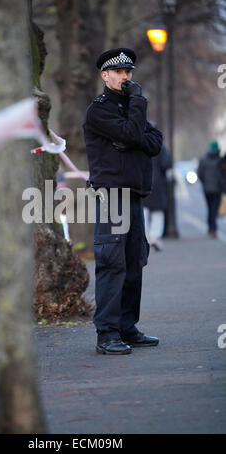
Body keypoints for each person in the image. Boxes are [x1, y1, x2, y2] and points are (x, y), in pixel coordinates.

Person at [83, 48, 163, 355]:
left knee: (133, 262)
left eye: (129, 72)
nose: (126, 77)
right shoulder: (100, 110)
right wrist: (135, 123)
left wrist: (133, 137)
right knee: (112, 262)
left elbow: (154, 142)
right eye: (119, 72)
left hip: (133, 193)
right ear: (105, 76)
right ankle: (108, 333)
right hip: (113, 193)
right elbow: (133, 134)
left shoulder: (132, 108)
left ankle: (128, 326)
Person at [143, 143, 172, 251]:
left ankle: (145, 238)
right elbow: (166, 164)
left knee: (144, 212)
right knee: (158, 213)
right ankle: (154, 237)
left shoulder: (139, 143)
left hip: (143, 182)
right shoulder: (160, 146)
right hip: (158, 183)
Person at [197, 140, 222, 238]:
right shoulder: (220, 159)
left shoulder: (203, 159)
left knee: (210, 208)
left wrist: (204, 183)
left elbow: (200, 173)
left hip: (207, 189)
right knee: (214, 209)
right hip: (217, 188)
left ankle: (211, 228)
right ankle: (213, 228)